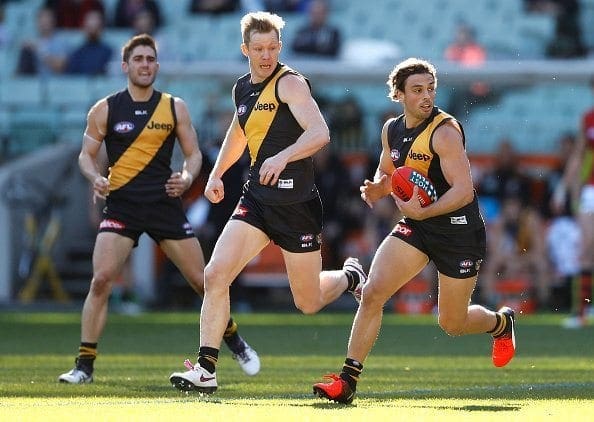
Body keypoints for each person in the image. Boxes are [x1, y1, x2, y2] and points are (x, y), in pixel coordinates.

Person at [168, 11, 367, 394]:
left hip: (296, 205)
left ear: (280, 46)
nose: (266, 55)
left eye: (273, 47)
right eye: (258, 48)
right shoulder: (242, 88)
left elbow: (320, 132)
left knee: (307, 302)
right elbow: (240, 132)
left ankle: (349, 277)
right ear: (245, 49)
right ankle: (206, 369)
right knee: (215, 274)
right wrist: (216, 173)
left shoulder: (290, 83)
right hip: (257, 199)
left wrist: (283, 156)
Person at [312, 58, 517, 404]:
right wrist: (377, 188)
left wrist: (425, 209)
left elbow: (464, 190)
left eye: (431, 89)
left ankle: (501, 324)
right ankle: (347, 381)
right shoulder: (391, 129)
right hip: (417, 227)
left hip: (457, 231)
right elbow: (388, 171)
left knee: (451, 323)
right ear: (399, 95)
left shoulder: (445, 131)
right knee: (374, 292)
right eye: (418, 90)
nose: (426, 96)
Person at [58, 33, 259, 384]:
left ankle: (236, 342)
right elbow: (85, 156)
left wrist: (185, 176)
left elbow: (194, 154)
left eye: (150, 59)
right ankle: (84, 366)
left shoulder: (173, 107)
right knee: (101, 280)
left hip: (164, 204)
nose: (145, 65)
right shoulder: (105, 109)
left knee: (204, 281)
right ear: (125, 65)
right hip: (122, 205)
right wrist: (94, 178)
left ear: (157, 65)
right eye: (139, 59)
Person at [552, 76, 594, 328]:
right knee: (585, 249)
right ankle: (581, 311)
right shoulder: (589, 118)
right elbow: (579, 154)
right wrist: (562, 189)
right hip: (591, 190)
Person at [15, 7, 68, 76]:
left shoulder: (61, 41)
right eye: (41, 19)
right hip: (32, 82)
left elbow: (60, 67)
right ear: (36, 22)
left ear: (53, 21)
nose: (44, 22)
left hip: (55, 82)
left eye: (47, 19)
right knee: (25, 52)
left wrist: (40, 49)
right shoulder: (32, 41)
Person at [64, 10, 113, 75]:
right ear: (84, 28)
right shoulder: (77, 53)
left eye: (96, 27)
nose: (93, 30)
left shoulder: (109, 52)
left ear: (101, 28)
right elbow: (71, 76)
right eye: (90, 27)